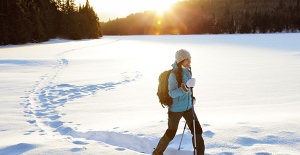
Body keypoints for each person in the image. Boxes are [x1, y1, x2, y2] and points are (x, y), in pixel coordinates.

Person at [153, 49, 205, 155]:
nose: (189, 62)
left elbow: (188, 89)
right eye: (187, 59)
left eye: (190, 59)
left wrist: (191, 98)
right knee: (171, 133)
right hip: (175, 110)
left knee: (197, 131)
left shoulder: (188, 71)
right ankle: (157, 153)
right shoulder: (173, 75)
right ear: (180, 60)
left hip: (188, 108)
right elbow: (172, 93)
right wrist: (185, 87)